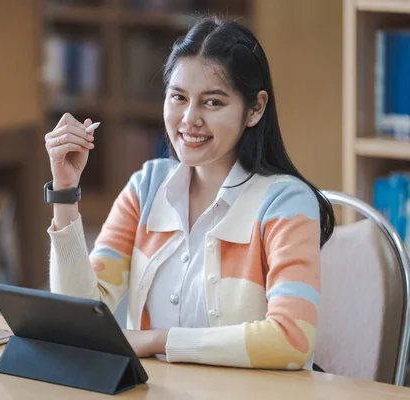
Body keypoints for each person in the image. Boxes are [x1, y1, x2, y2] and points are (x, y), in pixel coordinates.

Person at [43, 15, 335, 371]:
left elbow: (292, 340)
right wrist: (65, 190)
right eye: (179, 97)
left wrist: (159, 340)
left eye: (213, 103)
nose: (189, 119)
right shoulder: (147, 188)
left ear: (255, 108)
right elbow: (79, 318)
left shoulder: (285, 203)